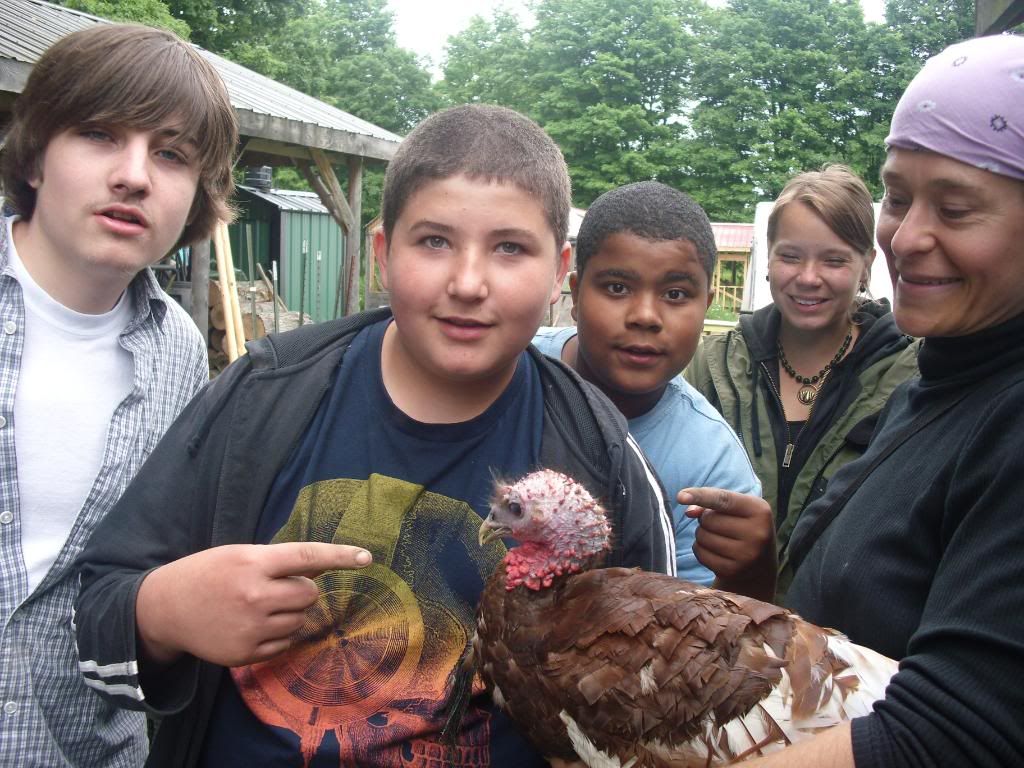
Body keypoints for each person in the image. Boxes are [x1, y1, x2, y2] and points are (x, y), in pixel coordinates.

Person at [73, 104, 675, 768]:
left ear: (560, 269)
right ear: (383, 253)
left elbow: (660, 684)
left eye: (510, 248)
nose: (468, 283)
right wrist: (167, 610)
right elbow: (99, 601)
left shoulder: (597, 448)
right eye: (434, 241)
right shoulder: (264, 397)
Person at [686, 32, 1024, 768]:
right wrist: (753, 582)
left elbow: (952, 736)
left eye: (958, 209)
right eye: (898, 198)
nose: (909, 238)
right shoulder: (941, 385)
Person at [0, 24, 237, 767]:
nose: (135, 175)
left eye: (171, 154)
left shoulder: (179, 354)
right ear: (36, 155)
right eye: (99, 134)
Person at [684, 164, 919, 599]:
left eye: (834, 260)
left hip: (847, 643)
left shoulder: (910, 377)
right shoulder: (709, 367)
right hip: (717, 628)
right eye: (791, 256)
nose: (808, 277)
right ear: (769, 257)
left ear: (866, 265)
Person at [532, 181, 770, 596]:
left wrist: (749, 573)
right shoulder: (510, 369)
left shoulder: (713, 468)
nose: (645, 316)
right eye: (617, 288)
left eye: (676, 294)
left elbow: (704, 635)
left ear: (707, 303)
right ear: (574, 291)